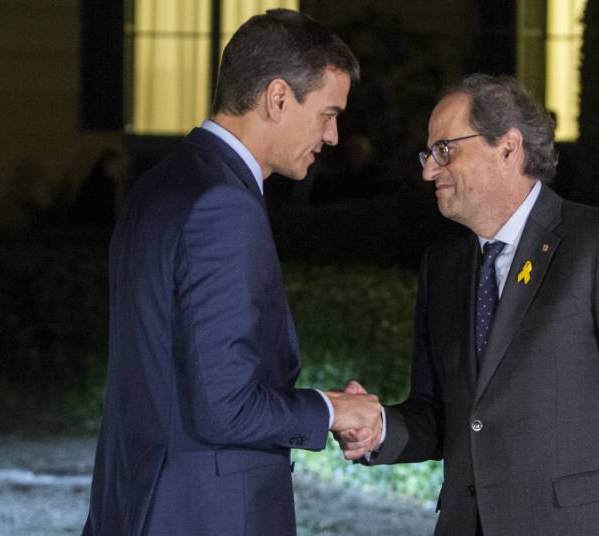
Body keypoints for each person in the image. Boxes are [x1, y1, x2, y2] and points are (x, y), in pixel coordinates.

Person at [339, 75, 599, 535]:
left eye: (445, 150)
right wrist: (380, 428)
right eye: (427, 155)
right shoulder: (443, 267)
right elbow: (444, 414)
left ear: (508, 148)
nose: (429, 170)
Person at [82, 10, 380, 536]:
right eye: (328, 113)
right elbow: (226, 408)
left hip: (135, 501)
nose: (333, 136)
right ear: (279, 98)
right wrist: (330, 411)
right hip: (205, 512)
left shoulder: (158, 186)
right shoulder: (224, 204)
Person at [71, 147, 125, 228]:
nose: (119, 170)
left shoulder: (109, 183)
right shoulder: (97, 184)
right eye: (116, 165)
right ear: (107, 164)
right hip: (93, 227)